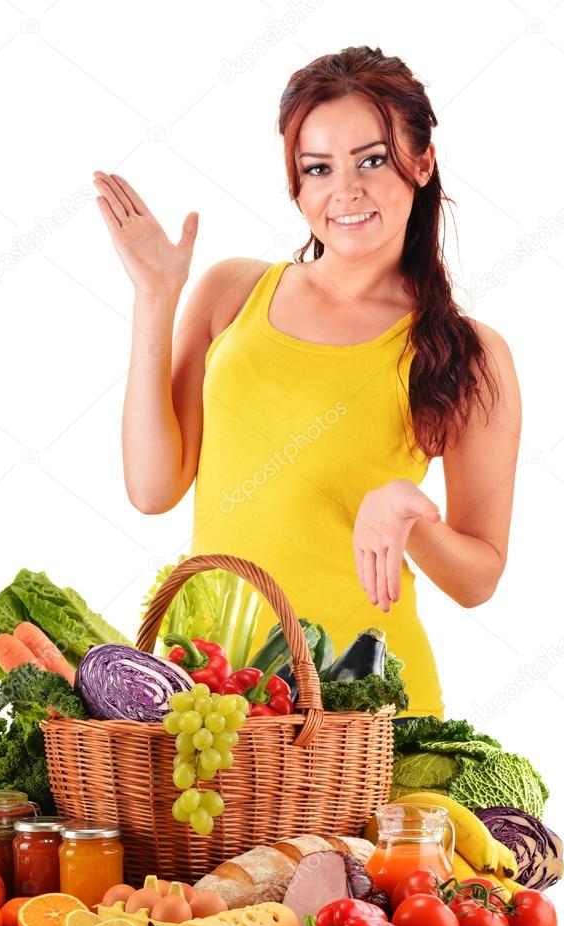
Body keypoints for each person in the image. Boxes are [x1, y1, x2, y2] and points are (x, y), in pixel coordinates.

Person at [93, 45, 521, 721]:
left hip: (365, 711)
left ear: (422, 162)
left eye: (371, 160)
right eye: (317, 168)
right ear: (296, 184)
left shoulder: (468, 353)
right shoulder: (232, 293)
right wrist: (155, 297)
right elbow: (152, 488)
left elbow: (480, 575)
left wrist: (412, 515)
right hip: (211, 696)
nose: (343, 190)